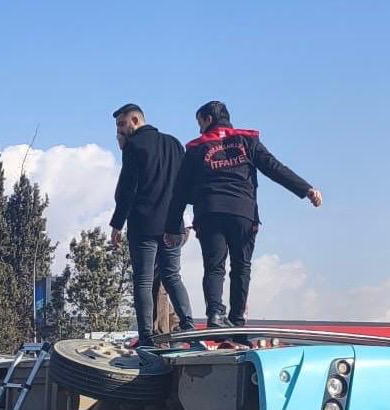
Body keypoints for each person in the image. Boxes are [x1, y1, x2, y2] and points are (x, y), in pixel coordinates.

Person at [163, 100, 322, 330]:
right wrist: (306, 189)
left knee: (214, 266)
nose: (199, 130)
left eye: (199, 123)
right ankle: (237, 320)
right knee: (241, 266)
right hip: (242, 212)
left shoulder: (196, 148)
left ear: (208, 119)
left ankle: (215, 315)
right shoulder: (248, 141)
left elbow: (179, 191)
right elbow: (274, 168)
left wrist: (171, 227)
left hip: (209, 213)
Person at [110, 103, 194, 346]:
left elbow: (128, 189)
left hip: (143, 223)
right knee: (172, 276)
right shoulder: (174, 143)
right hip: (172, 223)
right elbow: (185, 183)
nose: (119, 130)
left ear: (135, 120)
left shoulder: (134, 146)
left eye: (122, 124)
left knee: (143, 281)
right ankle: (188, 324)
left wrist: (117, 224)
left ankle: (146, 335)